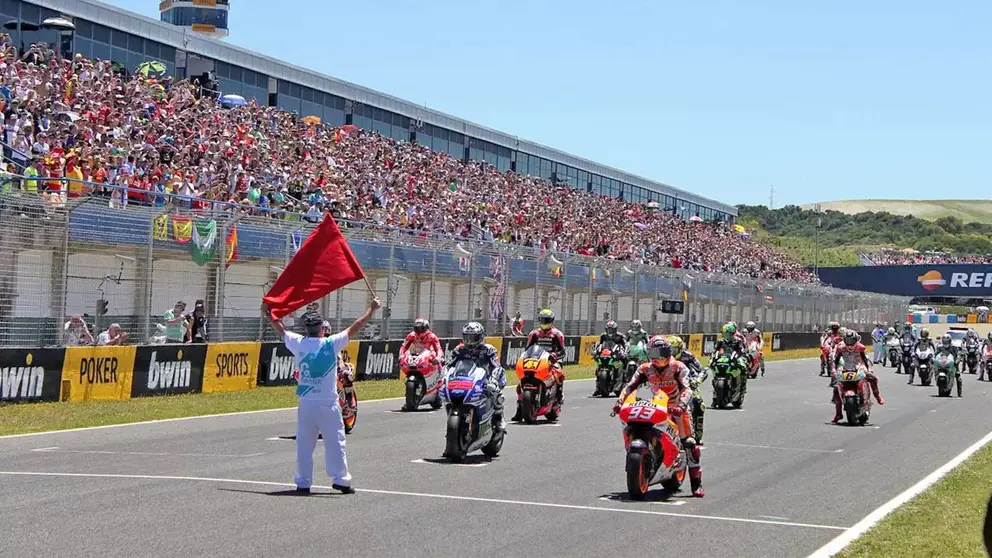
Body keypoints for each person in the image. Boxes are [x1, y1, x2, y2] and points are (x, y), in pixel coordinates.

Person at [264, 296, 381, 495]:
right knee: (335, 441)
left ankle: (303, 482)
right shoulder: (330, 344)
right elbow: (355, 327)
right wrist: (372, 309)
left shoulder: (298, 343)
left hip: (307, 404)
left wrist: (268, 313)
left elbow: (280, 329)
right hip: (328, 404)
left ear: (306, 328)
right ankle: (341, 480)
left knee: (304, 444)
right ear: (322, 328)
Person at [613, 336, 704, 497]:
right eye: (653, 352)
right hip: (658, 405)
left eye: (660, 352)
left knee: (689, 443)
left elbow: (687, 389)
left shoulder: (678, 367)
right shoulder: (645, 368)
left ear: (668, 352)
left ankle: (696, 484)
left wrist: (681, 406)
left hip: (677, 408)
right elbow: (630, 386)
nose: (657, 357)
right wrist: (620, 402)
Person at [446, 322, 506, 431]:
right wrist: (444, 376)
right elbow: (449, 364)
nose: (470, 341)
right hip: (465, 379)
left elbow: (497, 365)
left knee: (495, 394)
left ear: (481, 337)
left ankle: (499, 418)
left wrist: (493, 380)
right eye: (467, 337)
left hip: (486, 379)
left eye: (473, 338)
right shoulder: (459, 349)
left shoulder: (488, 349)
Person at [515, 309, 566, 419]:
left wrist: (555, 355)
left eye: (546, 320)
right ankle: (520, 408)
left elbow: (562, 351)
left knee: (559, 374)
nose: (544, 322)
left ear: (551, 321)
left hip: (551, 361)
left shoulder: (557, 334)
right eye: (542, 320)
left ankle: (558, 397)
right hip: (536, 360)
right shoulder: (534, 334)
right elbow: (528, 348)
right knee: (522, 380)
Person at [831, 330, 884, 423]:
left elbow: (867, 360)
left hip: (859, 366)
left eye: (852, 340)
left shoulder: (861, 347)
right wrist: (833, 370)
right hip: (845, 367)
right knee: (836, 388)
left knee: (872, 378)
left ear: (856, 340)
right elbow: (835, 360)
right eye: (847, 340)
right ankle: (838, 413)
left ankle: (877, 396)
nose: (849, 343)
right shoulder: (840, 347)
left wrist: (869, 370)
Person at [669, 335, 707, 444]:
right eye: (670, 350)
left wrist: (697, 381)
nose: (672, 353)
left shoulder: (688, 356)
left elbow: (702, 370)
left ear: (680, 349)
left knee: (699, 404)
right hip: (668, 386)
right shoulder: (663, 358)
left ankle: (698, 434)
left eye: (674, 350)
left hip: (688, 386)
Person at [399, 317, 443, 410]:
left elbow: (438, 349)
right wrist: (401, 356)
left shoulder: (432, 336)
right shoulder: (412, 335)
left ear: (426, 327)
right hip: (416, 355)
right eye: (417, 329)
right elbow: (404, 346)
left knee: (437, 362)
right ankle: (410, 399)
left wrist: (438, 358)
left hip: (429, 355)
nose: (419, 332)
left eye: (421, 329)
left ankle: (438, 385)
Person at [593, 320, 628, 396]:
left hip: (617, 354)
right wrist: (595, 352)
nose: (610, 331)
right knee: (598, 367)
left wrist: (625, 352)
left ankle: (624, 381)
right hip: (606, 353)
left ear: (615, 329)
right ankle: (598, 387)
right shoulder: (603, 336)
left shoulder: (620, 336)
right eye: (608, 329)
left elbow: (626, 345)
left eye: (611, 329)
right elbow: (599, 344)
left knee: (624, 363)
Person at [934, 333, 963, 397]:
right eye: (944, 341)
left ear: (950, 341)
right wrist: (932, 359)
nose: (946, 342)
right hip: (942, 362)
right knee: (935, 368)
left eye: (947, 341)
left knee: (958, 375)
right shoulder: (939, 347)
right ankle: (936, 377)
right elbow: (935, 354)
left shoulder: (954, 347)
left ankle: (959, 391)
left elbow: (958, 354)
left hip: (952, 363)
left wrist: (957, 361)